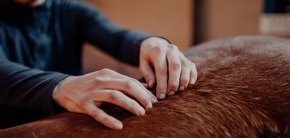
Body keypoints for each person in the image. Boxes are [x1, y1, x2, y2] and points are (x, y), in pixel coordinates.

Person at [0, 0, 197, 130]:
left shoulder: (73, 11)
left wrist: (151, 43)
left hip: (67, 124)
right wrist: (60, 85)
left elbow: (117, 38)